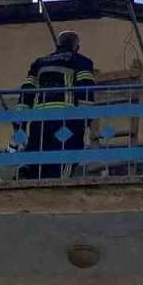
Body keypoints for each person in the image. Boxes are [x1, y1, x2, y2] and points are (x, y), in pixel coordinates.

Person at [16, 30, 96, 179]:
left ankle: (30, 178)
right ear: (76, 47)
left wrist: (20, 123)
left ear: (57, 44)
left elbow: (27, 91)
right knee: (66, 156)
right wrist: (85, 121)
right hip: (66, 120)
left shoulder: (39, 62)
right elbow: (85, 91)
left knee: (38, 155)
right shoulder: (81, 61)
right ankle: (58, 188)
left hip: (39, 121)